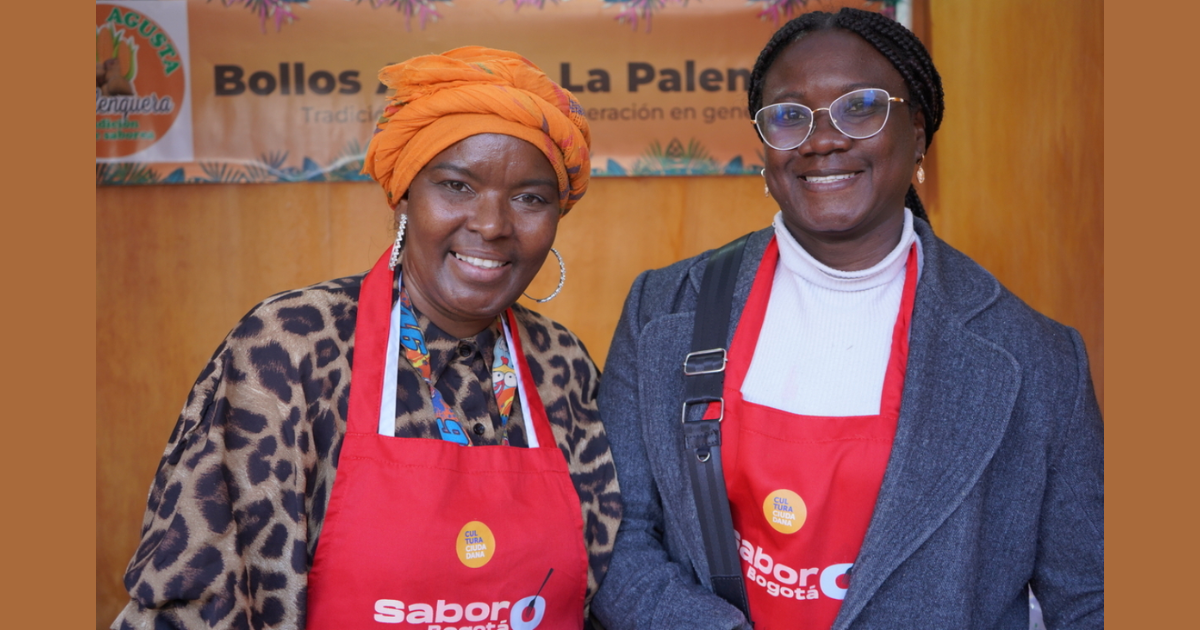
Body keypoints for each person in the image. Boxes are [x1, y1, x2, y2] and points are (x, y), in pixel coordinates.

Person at [591, 9, 1102, 630]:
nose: (821, 139)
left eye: (859, 107)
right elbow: (615, 540)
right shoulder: (663, 311)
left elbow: (1090, 598)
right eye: (789, 115)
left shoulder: (1037, 359)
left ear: (917, 133)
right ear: (763, 147)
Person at [112, 46, 621, 630]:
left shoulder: (563, 365)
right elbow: (193, 599)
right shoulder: (290, 348)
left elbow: (606, 584)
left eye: (530, 198)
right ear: (405, 194)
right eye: (457, 186)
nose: (492, 224)